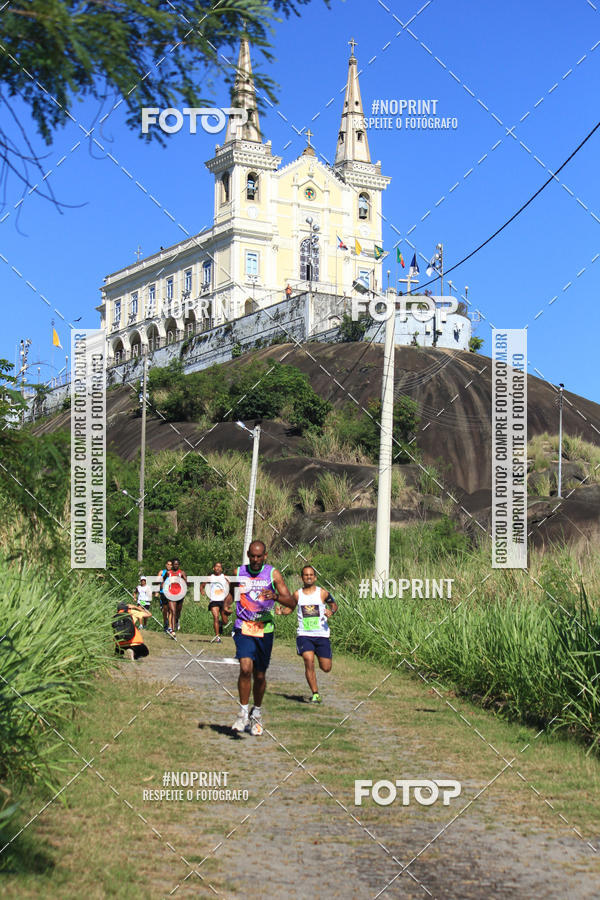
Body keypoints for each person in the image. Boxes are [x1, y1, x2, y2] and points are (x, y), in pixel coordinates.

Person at [224, 540, 295, 735]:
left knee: (260, 675)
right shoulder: (239, 572)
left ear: (265, 556)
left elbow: (291, 601)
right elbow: (231, 593)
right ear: (248, 554)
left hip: (265, 629)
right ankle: (242, 713)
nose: (255, 560)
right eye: (252, 556)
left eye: (259, 556)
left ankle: (257, 712)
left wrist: (275, 596)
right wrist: (226, 604)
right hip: (244, 627)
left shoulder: (273, 574)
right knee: (245, 668)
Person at [276, 565, 337, 703]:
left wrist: (331, 611)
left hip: (322, 635)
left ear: (315, 577)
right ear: (302, 578)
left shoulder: (322, 593)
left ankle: (320, 660)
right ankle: (315, 694)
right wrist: (282, 612)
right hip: (304, 634)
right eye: (306, 575)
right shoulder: (297, 594)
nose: (308, 577)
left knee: (326, 667)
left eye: (311, 575)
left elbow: (334, 604)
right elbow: (290, 608)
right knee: (308, 661)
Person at [200, 562, 230, 643]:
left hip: (223, 601)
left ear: (222, 569)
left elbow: (231, 587)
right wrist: (202, 590)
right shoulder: (210, 577)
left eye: (219, 567)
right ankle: (217, 637)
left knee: (225, 621)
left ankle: (220, 624)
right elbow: (202, 585)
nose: (218, 568)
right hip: (213, 600)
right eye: (216, 566)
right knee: (216, 617)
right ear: (213, 568)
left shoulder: (225, 577)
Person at [165, 557, 187, 634]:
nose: (175, 565)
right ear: (172, 565)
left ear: (179, 565)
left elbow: (186, 582)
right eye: (174, 564)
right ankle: (172, 631)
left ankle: (177, 620)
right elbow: (163, 580)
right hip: (171, 594)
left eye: (177, 564)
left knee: (178, 611)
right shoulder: (169, 573)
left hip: (180, 594)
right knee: (173, 611)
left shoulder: (182, 573)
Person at [155, 560, 172, 632]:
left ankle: (170, 627)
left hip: (171, 593)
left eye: (170, 565)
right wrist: (157, 591)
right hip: (163, 592)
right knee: (165, 610)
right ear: (166, 565)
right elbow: (157, 582)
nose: (169, 566)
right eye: (168, 564)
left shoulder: (173, 573)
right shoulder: (161, 572)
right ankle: (165, 623)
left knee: (171, 610)